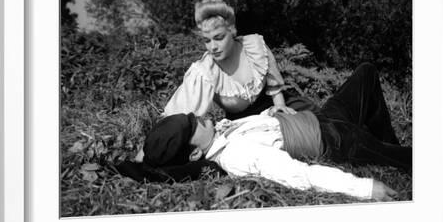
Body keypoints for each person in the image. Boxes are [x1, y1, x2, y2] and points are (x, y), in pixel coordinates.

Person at [143, 63, 411, 201]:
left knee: (366, 73)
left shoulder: (222, 130)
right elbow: (300, 176)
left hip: (321, 118)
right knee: (409, 158)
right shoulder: (238, 156)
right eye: (192, 126)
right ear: (196, 154)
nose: (198, 117)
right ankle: (391, 157)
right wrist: (364, 188)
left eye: (191, 116)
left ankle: (386, 147)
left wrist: (269, 114)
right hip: (336, 140)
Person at [163, 0, 305, 121]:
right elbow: (178, 117)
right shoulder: (204, 72)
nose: (213, 47)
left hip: (276, 106)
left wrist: (280, 107)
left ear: (231, 31)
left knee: (313, 121)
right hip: (242, 123)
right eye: (207, 40)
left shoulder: (254, 46)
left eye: (219, 38)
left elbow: (275, 88)